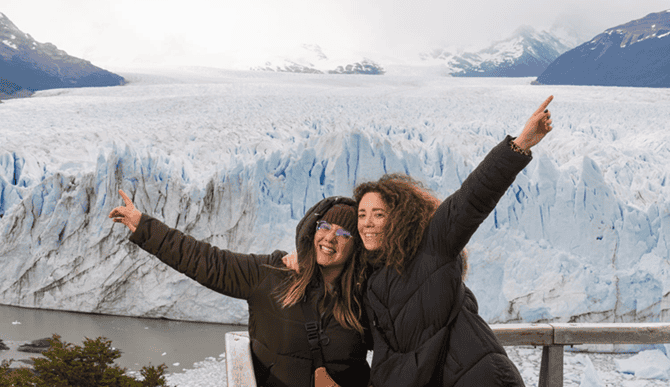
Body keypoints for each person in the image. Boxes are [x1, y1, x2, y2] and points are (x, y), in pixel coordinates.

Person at [354, 96, 554, 387]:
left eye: (378, 214)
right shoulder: (371, 280)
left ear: (399, 216)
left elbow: (471, 200)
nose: (367, 223)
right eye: (361, 214)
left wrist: (519, 144)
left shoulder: (432, 246)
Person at [110, 191, 370, 387]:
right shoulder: (272, 274)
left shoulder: (366, 296)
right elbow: (206, 261)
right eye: (324, 226)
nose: (329, 238)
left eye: (344, 233)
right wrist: (145, 228)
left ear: (357, 245)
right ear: (311, 231)